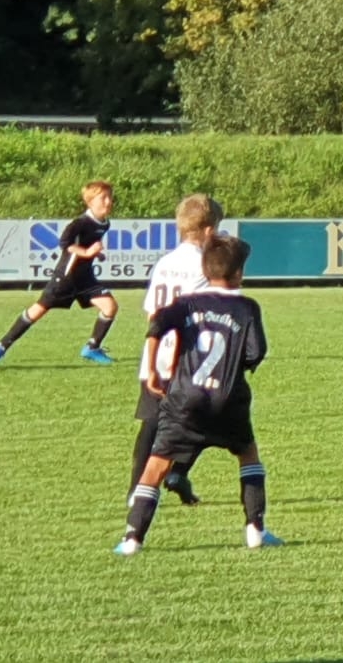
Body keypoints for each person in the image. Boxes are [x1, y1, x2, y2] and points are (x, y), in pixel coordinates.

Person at [114, 234, 281, 555]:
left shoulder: (186, 303)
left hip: (184, 400)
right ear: (238, 273)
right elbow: (255, 352)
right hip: (228, 400)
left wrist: (153, 370)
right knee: (248, 455)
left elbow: (155, 327)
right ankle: (255, 531)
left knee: (155, 467)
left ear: (206, 270)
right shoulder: (247, 307)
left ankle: (132, 540)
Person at [127, 194, 224, 507]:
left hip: (157, 354)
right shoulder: (205, 266)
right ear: (209, 230)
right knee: (206, 419)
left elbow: (152, 313)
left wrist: (155, 354)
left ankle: (136, 492)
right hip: (188, 358)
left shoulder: (165, 263)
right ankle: (177, 472)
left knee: (152, 423)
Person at [0, 180, 119, 365]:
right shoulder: (79, 223)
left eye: (110, 197)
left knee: (110, 306)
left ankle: (92, 348)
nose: (108, 201)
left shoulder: (104, 223)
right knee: (38, 310)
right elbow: (65, 244)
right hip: (66, 277)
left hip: (85, 278)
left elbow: (85, 245)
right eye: (103, 198)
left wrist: (96, 254)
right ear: (90, 202)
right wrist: (88, 252)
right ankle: (2, 345)